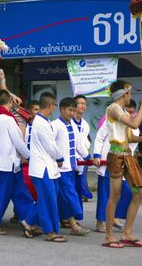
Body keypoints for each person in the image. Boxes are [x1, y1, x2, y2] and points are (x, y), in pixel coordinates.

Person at [103, 80, 142, 248]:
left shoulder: (122, 110)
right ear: (123, 94)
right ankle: (109, 236)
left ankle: (127, 233)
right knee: (114, 196)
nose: (131, 96)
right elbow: (134, 124)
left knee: (139, 194)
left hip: (128, 156)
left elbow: (129, 136)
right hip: (116, 156)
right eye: (129, 92)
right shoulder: (113, 108)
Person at [21, 92, 67, 243]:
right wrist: (60, 157)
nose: (55, 108)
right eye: (54, 105)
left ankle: (28, 222)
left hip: (46, 167)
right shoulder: (41, 123)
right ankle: (51, 232)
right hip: (43, 168)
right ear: (50, 105)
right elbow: (51, 147)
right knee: (49, 201)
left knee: (45, 199)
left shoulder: (42, 121)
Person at [0, 90, 34, 235]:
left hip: (8, 163)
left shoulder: (0, 117)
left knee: (21, 193)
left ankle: (28, 221)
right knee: (3, 194)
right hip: (9, 163)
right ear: (10, 102)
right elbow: (18, 142)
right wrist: (30, 156)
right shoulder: (8, 119)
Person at [52, 97, 90, 236]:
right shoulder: (55, 125)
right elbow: (51, 145)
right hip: (60, 169)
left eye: (74, 110)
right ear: (61, 109)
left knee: (61, 198)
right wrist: (57, 158)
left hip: (70, 168)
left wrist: (88, 158)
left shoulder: (73, 125)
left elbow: (79, 144)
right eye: (69, 110)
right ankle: (73, 225)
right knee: (70, 195)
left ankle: (30, 221)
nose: (72, 113)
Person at [93, 114, 131, 233]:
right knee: (104, 195)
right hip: (107, 163)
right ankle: (100, 223)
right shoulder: (110, 120)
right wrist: (97, 155)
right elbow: (99, 137)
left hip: (122, 162)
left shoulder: (130, 124)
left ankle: (113, 217)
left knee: (128, 191)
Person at [71, 95, 93, 207]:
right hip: (69, 161)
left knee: (77, 190)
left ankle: (74, 218)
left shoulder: (85, 124)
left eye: (84, 103)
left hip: (81, 161)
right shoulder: (68, 122)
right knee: (68, 191)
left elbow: (83, 143)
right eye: (80, 103)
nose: (83, 105)